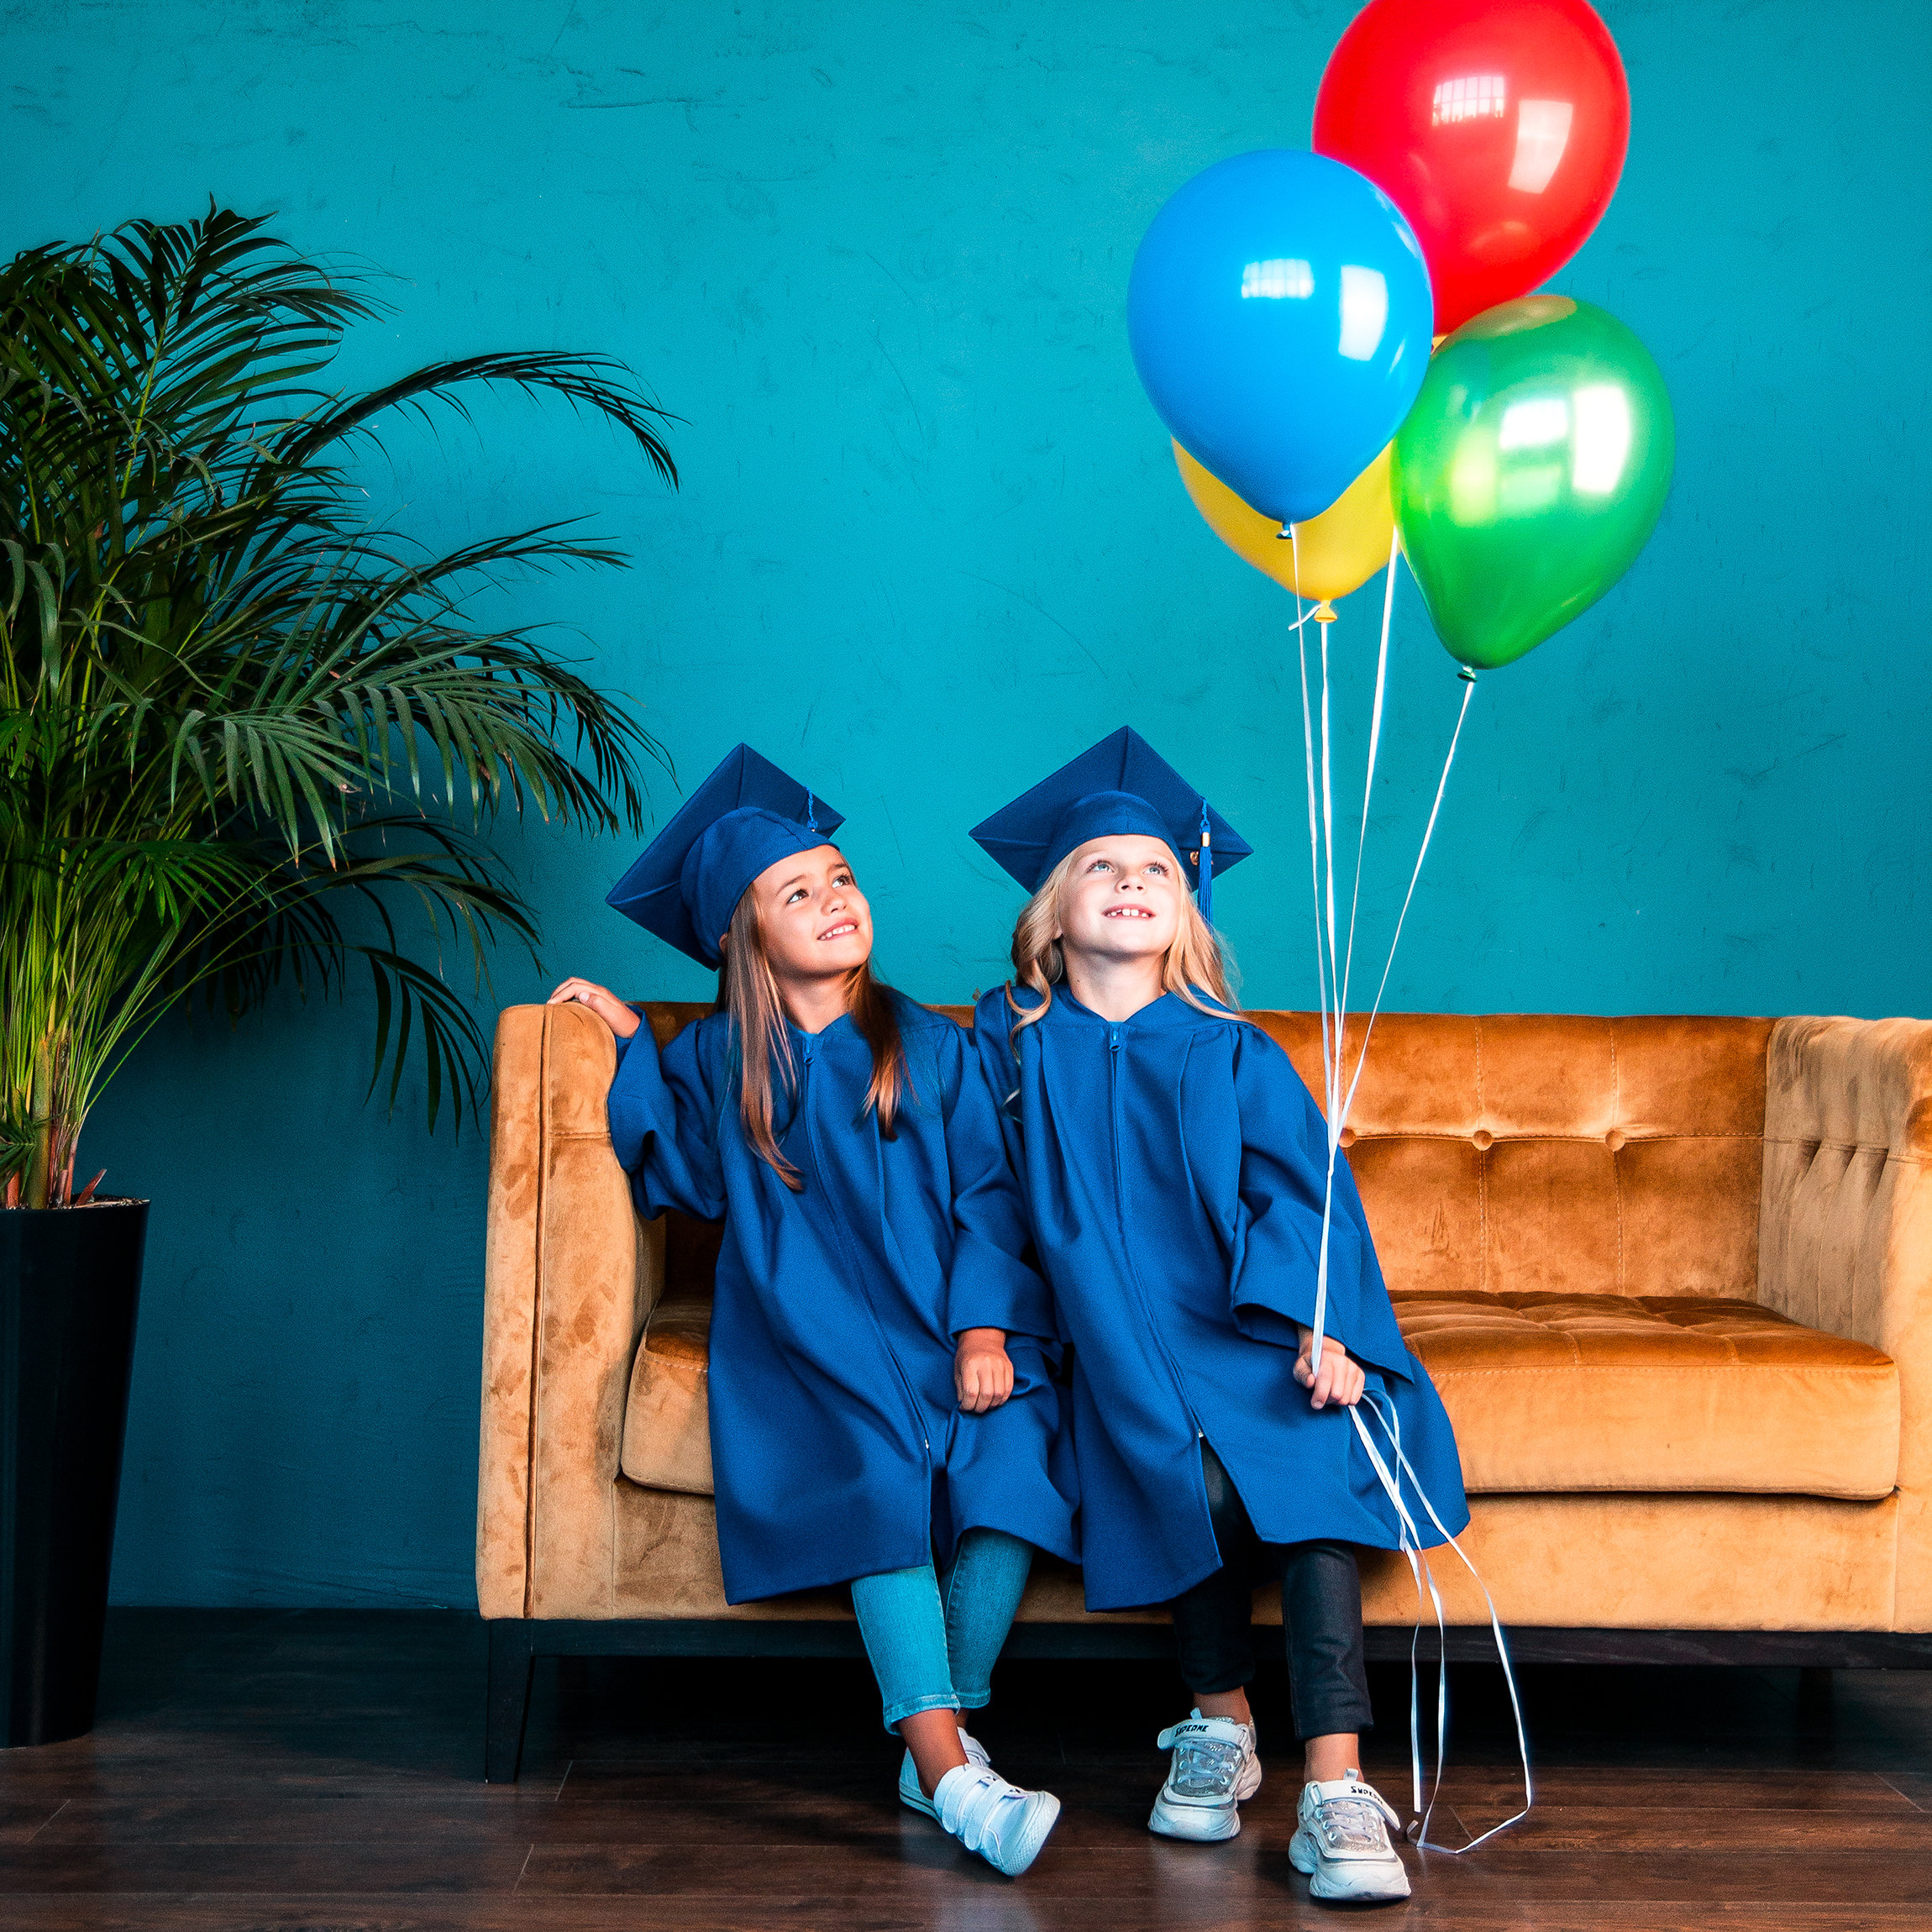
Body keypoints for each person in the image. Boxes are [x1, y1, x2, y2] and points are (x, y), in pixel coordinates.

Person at [552, 743, 1077, 1878]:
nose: (835, 900)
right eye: (799, 892)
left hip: (946, 1322)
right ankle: (953, 1777)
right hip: (807, 1337)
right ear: (743, 939)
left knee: (1016, 1464)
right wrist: (636, 1047)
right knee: (875, 1480)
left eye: (841, 878)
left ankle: (937, 1737)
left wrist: (986, 1331)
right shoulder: (717, 1063)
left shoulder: (931, 1044)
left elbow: (993, 1199)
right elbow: (682, 1177)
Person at [969, 727, 1469, 1905]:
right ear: (1049, 914)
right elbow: (983, 1204)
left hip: (1246, 1335)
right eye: (1102, 865)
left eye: (1157, 869)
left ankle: (1338, 1789)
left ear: (1187, 917)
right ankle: (1221, 1721)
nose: (1133, 881)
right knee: (1171, 1468)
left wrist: (1324, 1329)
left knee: (1300, 1474)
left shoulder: (1236, 1055)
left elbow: (1305, 1202)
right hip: (1114, 1346)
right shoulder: (1004, 1048)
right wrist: (987, 1327)